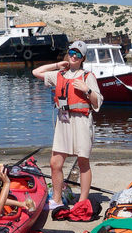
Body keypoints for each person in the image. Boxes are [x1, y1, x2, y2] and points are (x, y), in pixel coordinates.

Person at [32, 41, 102, 210]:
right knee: (55, 163)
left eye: (77, 54)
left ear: (83, 58)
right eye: (71, 52)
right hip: (63, 121)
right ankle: (56, 199)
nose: (73, 56)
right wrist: (57, 64)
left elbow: (98, 101)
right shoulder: (59, 75)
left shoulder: (88, 76)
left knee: (83, 161)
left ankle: (82, 202)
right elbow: (36, 72)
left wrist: (87, 90)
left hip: (81, 121)